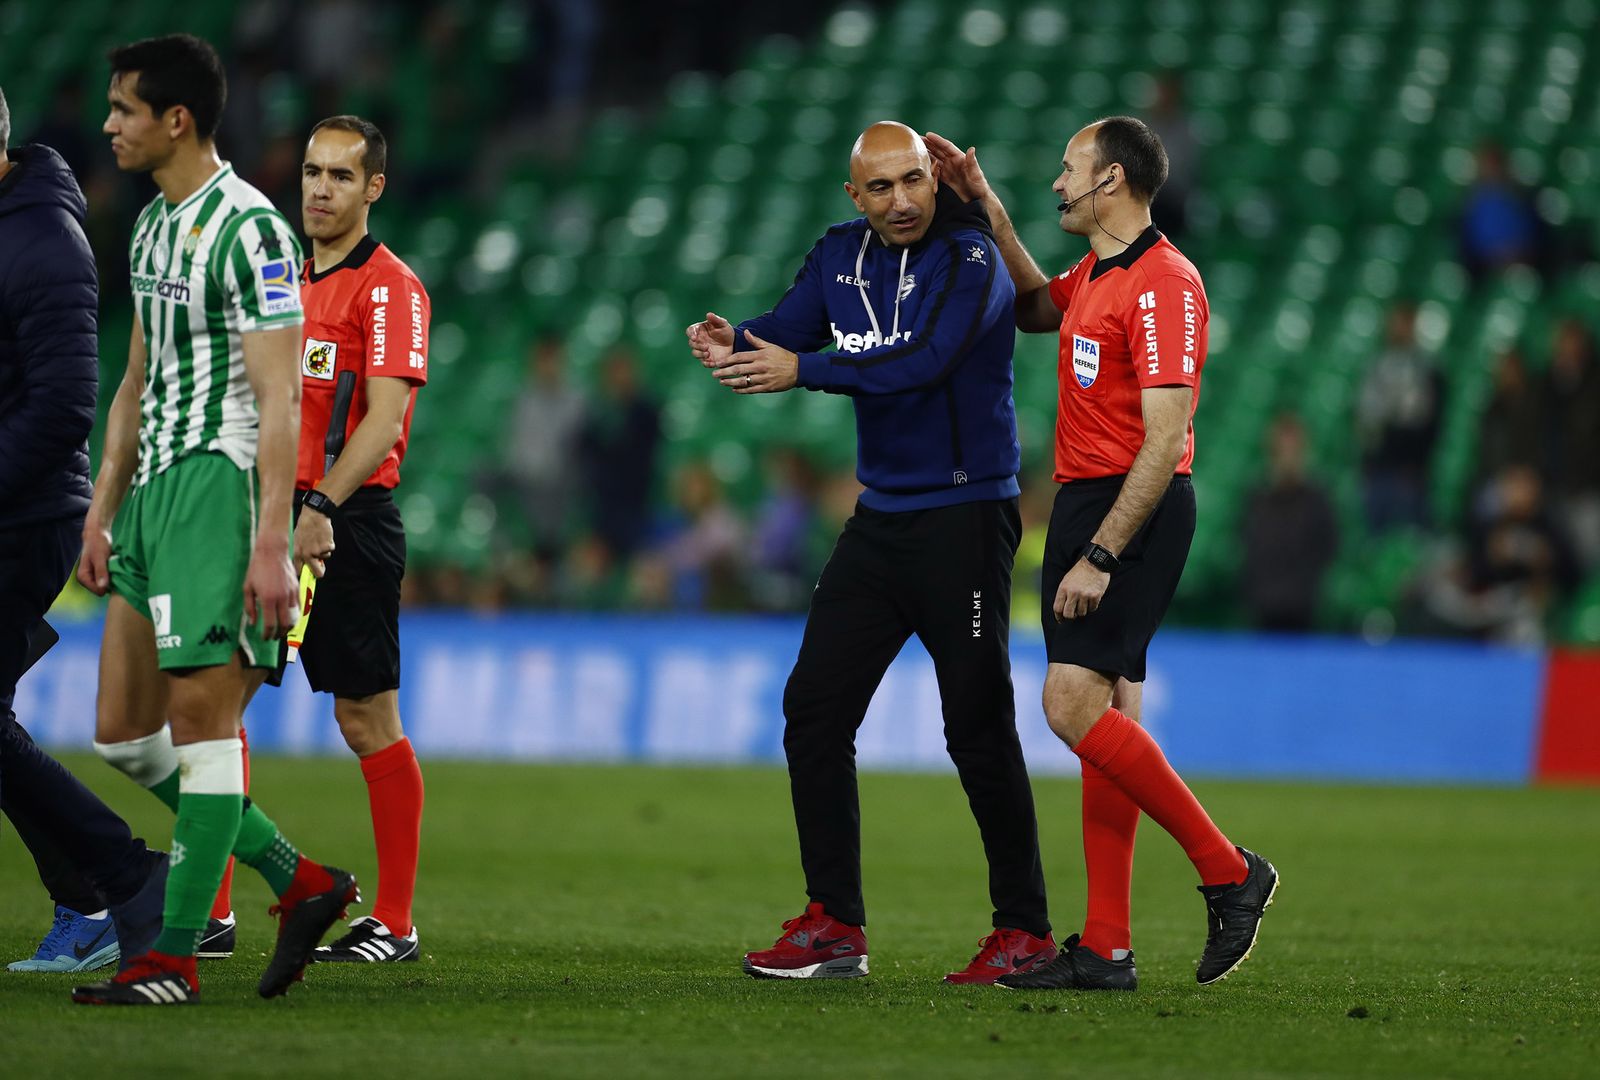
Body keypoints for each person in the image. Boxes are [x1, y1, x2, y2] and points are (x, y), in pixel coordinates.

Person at [687, 121, 1056, 985]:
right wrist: (732, 340)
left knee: (976, 727)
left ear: (938, 182)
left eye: (915, 182)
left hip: (966, 519)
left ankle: (1026, 933)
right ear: (854, 196)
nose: (901, 201)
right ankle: (835, 924)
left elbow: (925, 362)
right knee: (813, 709)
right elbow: (784, 328)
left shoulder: (972, 260)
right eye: (880, 188)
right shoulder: (838, 257)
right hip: (881, 522)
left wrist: (801, 369)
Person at [926, 117, 1277, 992]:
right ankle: (1108, 948)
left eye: (1068, 169)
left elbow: (1166, 441)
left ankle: (1230, 872)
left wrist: (1103, 555)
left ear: (1111, 180)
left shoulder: (1165, 285)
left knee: (1070, 704)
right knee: (1108, 714)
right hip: (1092, 499)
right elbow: (1038, 308)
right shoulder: (1098, 272)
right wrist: (988, 209)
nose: (1058, 184)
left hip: (1133, 507)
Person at [73, 34, 358, 1006]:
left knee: (200, 730)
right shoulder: (153, 227)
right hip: (153, 493)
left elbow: (280, 401)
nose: (109, 125)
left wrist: (271, 543)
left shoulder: (252, 232)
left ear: (176, 119)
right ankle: (304, 880)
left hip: (220, 487)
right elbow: (137, 379)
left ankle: (173, 958)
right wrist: (103, 510)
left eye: (123, 109)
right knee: (120, 733)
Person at [0, 84, 169, 976]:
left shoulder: (41, 241)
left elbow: (64, 405)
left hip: (22, 517)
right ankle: (99, 893)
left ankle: (125, 876)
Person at [268, 113, 429, 963]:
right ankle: (211, 912)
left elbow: (384, 420)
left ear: (372, 187)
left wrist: (321, 507)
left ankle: (394, 921)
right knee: (210, 705)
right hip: (266, 511)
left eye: (339, 176)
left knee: (365, 717)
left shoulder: (391, 287)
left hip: (347, 519)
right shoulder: (279, 278)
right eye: (310, 173)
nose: (320, 190)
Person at [1241, 414, 1340, 632]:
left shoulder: (1317, 500)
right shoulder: (1257, 499)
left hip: (1304, 606)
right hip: (1263, 605)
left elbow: (1329, 547)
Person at [1356, 301, 1443, 532]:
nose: (1399, 329)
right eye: (1396, 323)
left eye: (1405, 323)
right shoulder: (1376, 367)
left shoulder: (1426, 371)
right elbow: (1365, 418)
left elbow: (1429, 423)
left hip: (1410, 472)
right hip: (1378, 470)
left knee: (1413, 544)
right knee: (1376, 545)